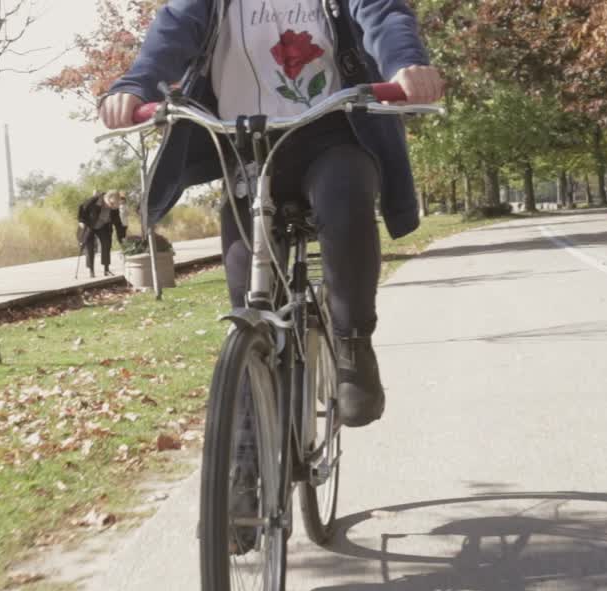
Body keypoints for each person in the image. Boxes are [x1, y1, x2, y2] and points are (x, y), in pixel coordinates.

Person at [99, 0, 444, 428]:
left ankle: (353, 345)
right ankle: (248, 444)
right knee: (248, 297)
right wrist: (137, 83)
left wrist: (404, 63)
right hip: (248, 147)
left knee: (345, 197)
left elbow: (382, 14)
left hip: (333, 131)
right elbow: (174, 28)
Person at [77, 190, 129, 278]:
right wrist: (81, 221)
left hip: (103, 226)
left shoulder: (114, 208)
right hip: (90, 225)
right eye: (112, 203)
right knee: (90, 247)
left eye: (115, 204)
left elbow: (118, 224)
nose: (113, 206)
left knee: (107, 244)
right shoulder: (93, 200)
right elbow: (82, 208)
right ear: (107, 198)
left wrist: (122, 238)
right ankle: (91, 271)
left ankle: (106, 269)